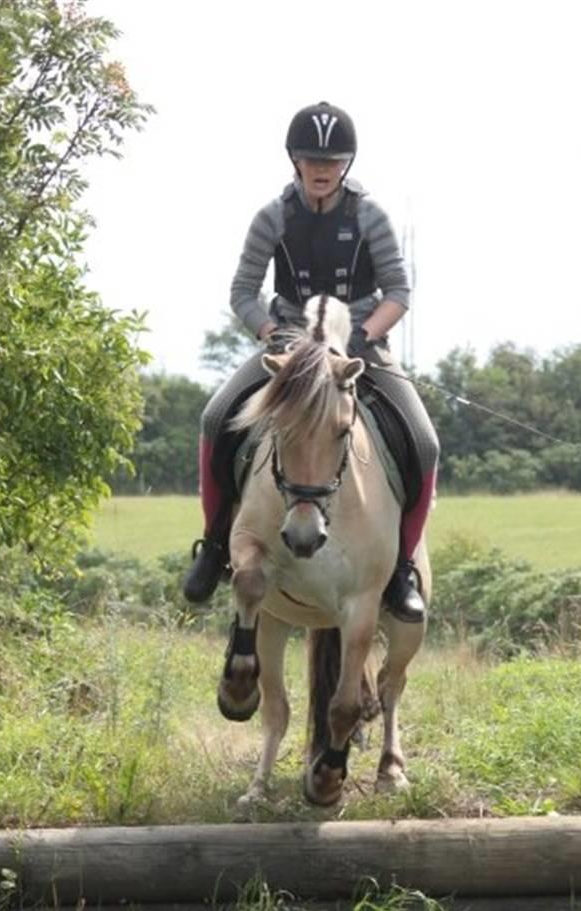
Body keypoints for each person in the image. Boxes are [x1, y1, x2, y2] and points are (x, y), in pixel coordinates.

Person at [183, 101, 439, 623]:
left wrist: (366, 337)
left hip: (360, 348)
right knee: (215, 417)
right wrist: (270, 332)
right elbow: (243, 292)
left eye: (334, 160)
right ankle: (213, 546)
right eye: (311, 159)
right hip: (289, 350)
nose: (322, 169)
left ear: (347, 163)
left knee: (426, 442)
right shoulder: (273, 217)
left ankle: (401, 569)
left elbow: (398, 291)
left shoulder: (371, 216)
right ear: (294, 161)